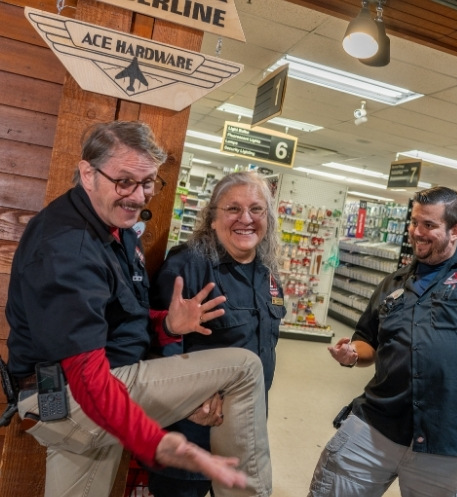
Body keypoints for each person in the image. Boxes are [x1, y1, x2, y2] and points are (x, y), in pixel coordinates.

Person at [5, 121, 271, 497]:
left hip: (78, 397)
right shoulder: (69, 249)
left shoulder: (116, 229)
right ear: (88, 174)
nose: (138, 196)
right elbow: (88, 381)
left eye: (147, 182)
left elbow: (115, 317)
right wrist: (157, 442)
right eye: (125, 181)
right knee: (243, 367)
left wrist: (168, 325)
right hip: (71, 398)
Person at [308, 186, 457, 497]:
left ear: (455, 230)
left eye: (429, 225)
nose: (417, 232)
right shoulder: (393, 283)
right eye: (415, 222)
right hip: (377, 425)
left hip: (454, 443)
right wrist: (352, 353)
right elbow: (368, 341)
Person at [147, 171, 286, 497]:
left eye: (256, 209)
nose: (246, 219)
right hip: (191, 427)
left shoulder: (267, 272)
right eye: (233, 209)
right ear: (212, 218)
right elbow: (153, 343)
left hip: (245, 423)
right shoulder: (188, 266)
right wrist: (190, 401)